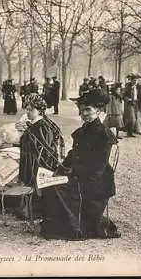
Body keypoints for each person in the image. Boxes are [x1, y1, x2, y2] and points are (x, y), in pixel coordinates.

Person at [40, 89, 120, 240]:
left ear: (98, 110)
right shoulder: (84, 130)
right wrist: (60, 168)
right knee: (49, 181)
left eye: (88, 110)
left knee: (57, 187)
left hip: (96, 182)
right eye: (82, 110)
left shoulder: (103, 134)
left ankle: (72, 226)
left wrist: (72, 172)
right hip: (81, 175)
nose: (84, 114)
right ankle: (59, 222)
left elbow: (98, 167)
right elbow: (73, 154)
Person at [15, 93, 62, 216]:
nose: (28, 112)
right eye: (27, 109)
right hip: (29, 160)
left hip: (38, 163)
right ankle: (27, 207)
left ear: (40, 110)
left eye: (31, 109)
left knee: (34, 187)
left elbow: (46, 149)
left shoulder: (42, 126)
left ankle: (34, 210)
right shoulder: (33, 124)